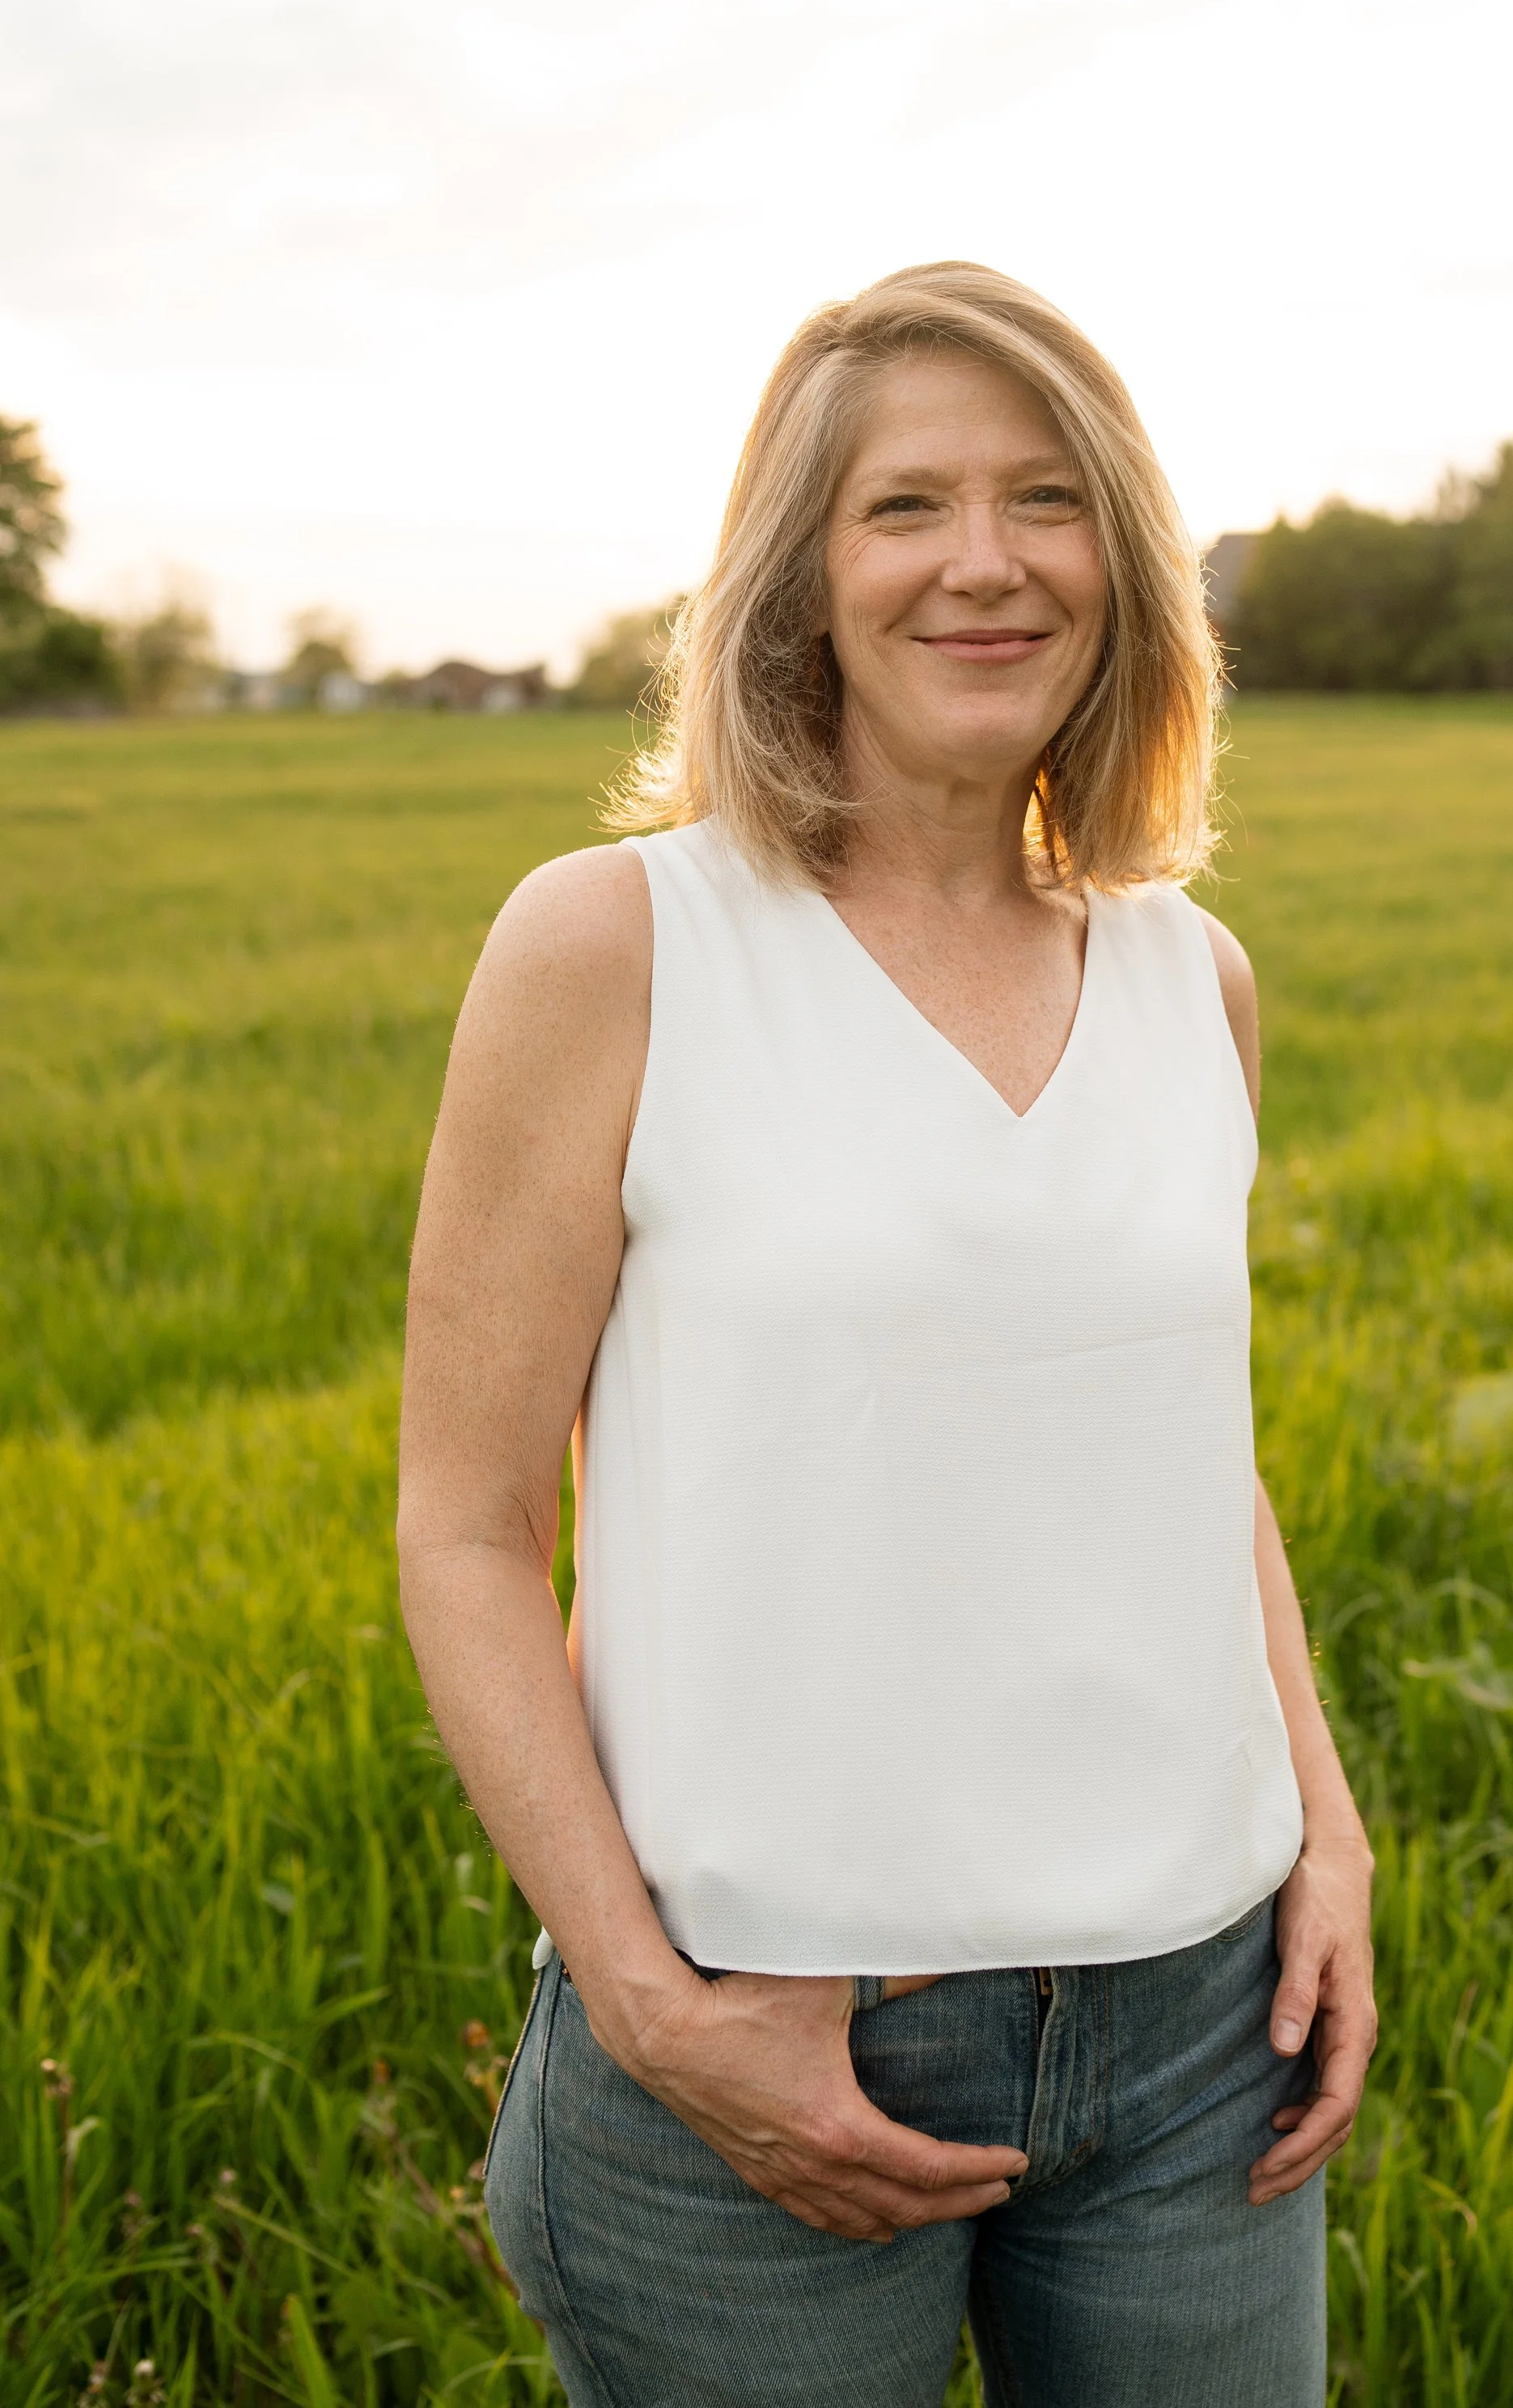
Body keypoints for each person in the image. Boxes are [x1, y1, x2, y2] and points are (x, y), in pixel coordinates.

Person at [398, 261, 1379, 2407]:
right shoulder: (617, 946)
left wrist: (1327, 1827)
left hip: (1206, 2035)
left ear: (1118, 561)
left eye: (1045, 497)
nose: (984, 560)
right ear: (802, 577)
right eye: (904, 504)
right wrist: (649, 2004)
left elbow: (1178, 1454)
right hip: (762, 2029)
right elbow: (464, 1523)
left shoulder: (1186, 973)